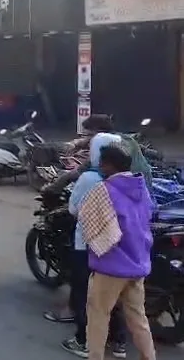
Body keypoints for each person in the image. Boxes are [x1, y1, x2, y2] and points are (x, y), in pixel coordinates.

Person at [78, 143, 156, 360]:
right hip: (138, 264)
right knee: (138, 318)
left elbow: (80, 212)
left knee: (98, 317)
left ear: (109, 165)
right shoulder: (141, 189)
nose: (100, 165)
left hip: (110, 266)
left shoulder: (104, 191)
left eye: (102, 162)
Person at [59, 133, 128, 358]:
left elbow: (73, 209)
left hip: (86, 244)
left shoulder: (90, 178)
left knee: (83, 293)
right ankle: (119, 342)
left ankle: (82, 339)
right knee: (113, 296)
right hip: (113, 245)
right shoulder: (127, 179)